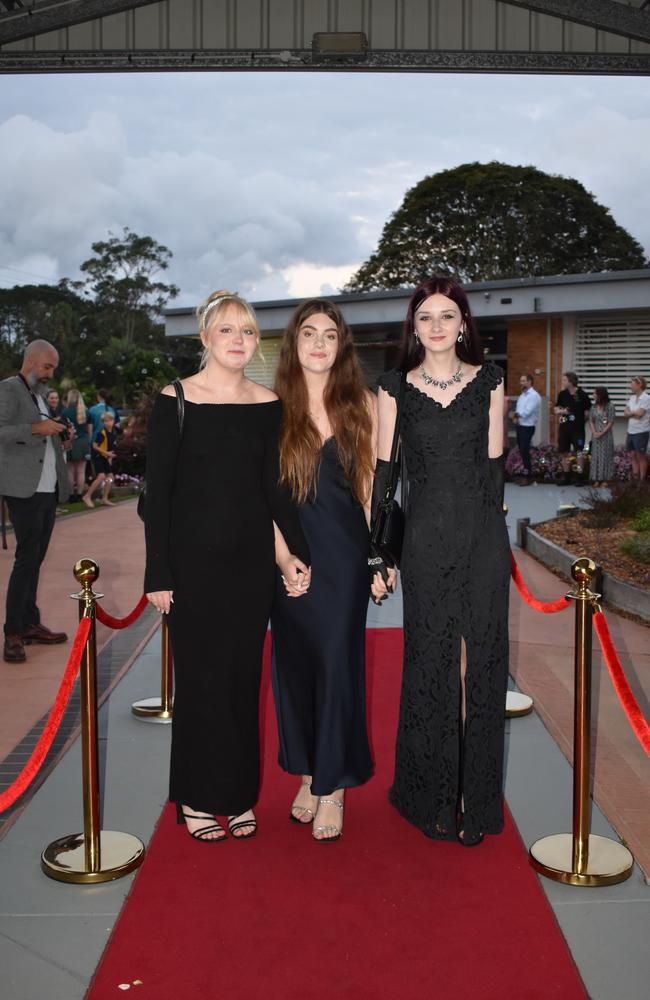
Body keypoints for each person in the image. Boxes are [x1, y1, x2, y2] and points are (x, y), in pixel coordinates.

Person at [144, 290, 310, 843]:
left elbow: (273, 493)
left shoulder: (267, 403)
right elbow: (159, 495)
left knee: (241, 684)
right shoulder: (176, 399)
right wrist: (158, 573)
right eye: (227, 331)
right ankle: (195, 796)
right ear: (205, 339)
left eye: (246, 332)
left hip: (248, 570)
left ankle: (237, 797)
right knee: (200, 685)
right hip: (189, 571)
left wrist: (289, 556)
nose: (238, 341)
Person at [371, 276, 510, 847]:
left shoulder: (491, 383)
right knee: (431, 663)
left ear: (463, 325)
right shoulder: (393, 389)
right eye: (425, 317)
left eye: (447, 316)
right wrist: (379, 552)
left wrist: (497, 539)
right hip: (425, 544)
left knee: (477, 666)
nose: (435, 327)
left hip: (481, 540)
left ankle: (472, 801)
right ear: (414, 327)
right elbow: (386, 480)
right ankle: (429, 794)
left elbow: (495, 471)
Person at [271, 299, 376, 843]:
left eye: (328, 335)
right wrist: (282, 558)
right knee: (296, 666)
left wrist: (380, 556)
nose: (317, 343)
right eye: (307, 333)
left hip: (344, 557)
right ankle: (310, 772)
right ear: (294, 343)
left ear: (341, 346)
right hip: (287, 555)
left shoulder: (361, 404)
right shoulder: (270, 407)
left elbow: (368, 492)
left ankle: (333, 787)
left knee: (337, 662)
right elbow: (260, 498)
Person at [0, 340, 70, 663]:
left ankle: (29, 622)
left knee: (35, 559)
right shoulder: (9, 390)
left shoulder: (39, 396)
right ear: (30, 360)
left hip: (47, 488)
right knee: (26, 560)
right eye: (47, 366)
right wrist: (36, 428)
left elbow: (43, 435)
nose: (50, 373)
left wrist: (58, 431)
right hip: (22, 489)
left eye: (53, 368)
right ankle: (13, 633)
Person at [554, 372, 591, 484]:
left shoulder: (582, 394)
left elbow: (588, 412)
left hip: (578, 429)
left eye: (565, 380)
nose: (563, 382)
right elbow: (556, 410)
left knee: (579, 452)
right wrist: (563, 411)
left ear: (571, 381)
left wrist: (581, 422)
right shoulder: (562, 394)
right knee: (563, 452)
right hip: (564, 428)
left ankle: (580, 476)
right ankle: (566, 476)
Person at [60, 388, 90, 502]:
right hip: (83, 442)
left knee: (70, 470)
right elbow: (89, 429)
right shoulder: (86, 412)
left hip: (70, 441)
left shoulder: (65, 412)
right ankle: (80, 494)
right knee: (81, 470)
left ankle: (71, 495)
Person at [511, 372, 541, 485]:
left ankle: (528, 476)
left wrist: (516, 416)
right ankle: (525, 473)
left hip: (527, 427)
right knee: (522, 450)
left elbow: (527, 412)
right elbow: (518, 410)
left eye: (523, 381)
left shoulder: (534, 395)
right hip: (520, 425)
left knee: (524, 450)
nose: (521, 383)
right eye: (521, 381)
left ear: (529, 382)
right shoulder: (522, 395)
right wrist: (515, 417)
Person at [82, 410, 117, 508]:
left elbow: (110, 447)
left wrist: (109, 457)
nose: (108, 423)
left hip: (104, 457)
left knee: (110, 477)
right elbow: (94, 446)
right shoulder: (101, 433)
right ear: (103, 422)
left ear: (113, 421)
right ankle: (87, 496)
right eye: (105, 421)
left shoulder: (112, 433)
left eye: (110, 420)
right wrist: (107, 453)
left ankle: (104, 498)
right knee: (101, 476)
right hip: (97, 456)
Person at [624, 376, 650, 482]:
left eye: (632, 384)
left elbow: (640, 414)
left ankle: (642, 481)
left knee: (641, 456)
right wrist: (633, 413)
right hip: (631, 431)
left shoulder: (646, 398)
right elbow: (625, 412)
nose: (631, 386)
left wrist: (632, 413)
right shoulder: (632, 398)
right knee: (633, 455)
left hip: (641, 431)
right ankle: (635, 480)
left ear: (639, 385)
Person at [589, 387, 616, 487]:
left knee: (605, 456)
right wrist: (594, 432)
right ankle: (596, 479)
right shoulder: (593, 407)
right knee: (596, 457)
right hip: (595, 436)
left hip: (606, 436)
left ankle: (605, 479)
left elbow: (611, 421)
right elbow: (591, 420)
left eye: (595, 394)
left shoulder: (610, 406)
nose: (593, 395)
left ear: (600, 395)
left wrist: (602, 433)